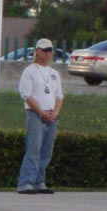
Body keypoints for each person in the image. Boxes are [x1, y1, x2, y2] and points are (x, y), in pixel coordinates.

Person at [17, 37, 64, 195]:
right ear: (37, 51)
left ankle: (39, 181)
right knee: (34, 148)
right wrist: (41, 112)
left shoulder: (55, 74)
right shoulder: (29, 71)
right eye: (44, 50)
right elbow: (26, 94)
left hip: (51, 114)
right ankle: (26, 182)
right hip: (35, 113)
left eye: (49, 50)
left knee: (46, 151)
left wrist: (55, 113)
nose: (47, 53)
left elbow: (59, 96)